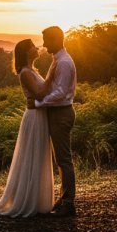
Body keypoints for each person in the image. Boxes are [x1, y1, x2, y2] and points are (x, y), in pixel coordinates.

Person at [0, 38, 54, 217]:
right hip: (34, 117)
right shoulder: (26, 72)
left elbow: (40, 95)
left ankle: (37, 198)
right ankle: (26, 200)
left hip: (39, 115)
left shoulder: (32, 70)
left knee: (38, 156)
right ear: (27, 52)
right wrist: (52, 74)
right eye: (33, 46)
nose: (37, 48)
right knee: (32, 156)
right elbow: (40, 93)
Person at [33, 26, 77, 217]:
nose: (43, 44)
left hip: (61, 113)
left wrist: (38, 103)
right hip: (56, 113)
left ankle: (68, 203)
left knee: (64, 159)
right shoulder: (58, 60)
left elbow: (59, 93)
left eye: (46, 40)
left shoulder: (65, 63)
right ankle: (64, 199)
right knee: (60, 159)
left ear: (56, 40)